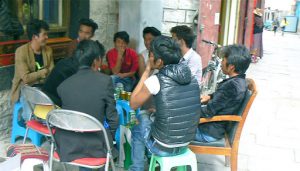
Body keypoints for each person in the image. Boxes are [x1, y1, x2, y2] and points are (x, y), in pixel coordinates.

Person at [129, 36, 201, 171]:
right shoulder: (191, 77)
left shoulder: (157, 80)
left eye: (150, 55)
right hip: (186, 143)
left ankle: (136, 168)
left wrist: (146, 71)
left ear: (159, 61)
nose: (149, 58)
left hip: (164, 147)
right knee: (150, 113)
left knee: (139, 120)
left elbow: (133, 103)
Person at [55, 40, 119, 171]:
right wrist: (110, 137)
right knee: (110, 147)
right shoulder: (105, 81)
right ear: (96, 60)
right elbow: (113, 118)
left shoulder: (63, 85)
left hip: (68, 145)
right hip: (95, 146)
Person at [195, 44, 251, 143]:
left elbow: (208, 112)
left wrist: (185, 111)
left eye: (223, 61)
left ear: (231, 67)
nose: (221, 64)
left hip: (208, 132)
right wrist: (210, 96)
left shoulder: (231, 87)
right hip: (215, 128)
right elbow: (225, 100)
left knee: (168, 126)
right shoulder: (239, 82)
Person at [42, 18, 99, 106]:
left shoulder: (92, 48)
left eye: (87, 33)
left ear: (92, 35)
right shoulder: (72, 46)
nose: (82, 35)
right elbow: (73, 70)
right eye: (81, 31)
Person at [11, 19, 54, 120]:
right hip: (26, 88)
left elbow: (52, 72)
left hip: (44, 87)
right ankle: (29, 121)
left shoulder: (48, 50)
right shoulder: (21, 51)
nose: (47, 37)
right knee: (32, 108)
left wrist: (39, 75)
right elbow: (26, 78)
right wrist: (43, 72)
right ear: (35, 36)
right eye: (44, 34)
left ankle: (47, 124)